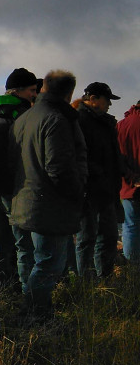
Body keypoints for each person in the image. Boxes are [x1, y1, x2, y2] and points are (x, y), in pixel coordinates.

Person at [7, 70, 87, 322]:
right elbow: (59, 168)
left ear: (43, 88)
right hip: (49, 203)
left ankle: (34, 312)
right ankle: (34, 316)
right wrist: (76, 194)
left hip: (25, 199)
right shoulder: (56, 119)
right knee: (48, 263)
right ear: (69, 93)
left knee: (35, 261)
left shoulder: (25, 118)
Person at [0, 68, 41, 292]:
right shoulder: (22, 115)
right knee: (24, 244)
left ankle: (0, 289)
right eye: (32, 90)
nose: (35, 95)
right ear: (19, 91)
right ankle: (28, 291)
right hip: (14, 189)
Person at [76, 82, 122, 282]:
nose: (109, 105)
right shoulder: (79, 120)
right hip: (89, 189)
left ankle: (104, 279)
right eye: (107, 100)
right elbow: (81, 155)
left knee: (109, 236)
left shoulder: (106, 122)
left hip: (107, 189)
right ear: (93, 98)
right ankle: (85, 284)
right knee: (87, 238)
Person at [118, 98, 140, 269]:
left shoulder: (122, 125)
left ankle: (132, 269)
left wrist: (131, 177)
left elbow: (117, 156)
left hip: (129, 185)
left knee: (130, 226)